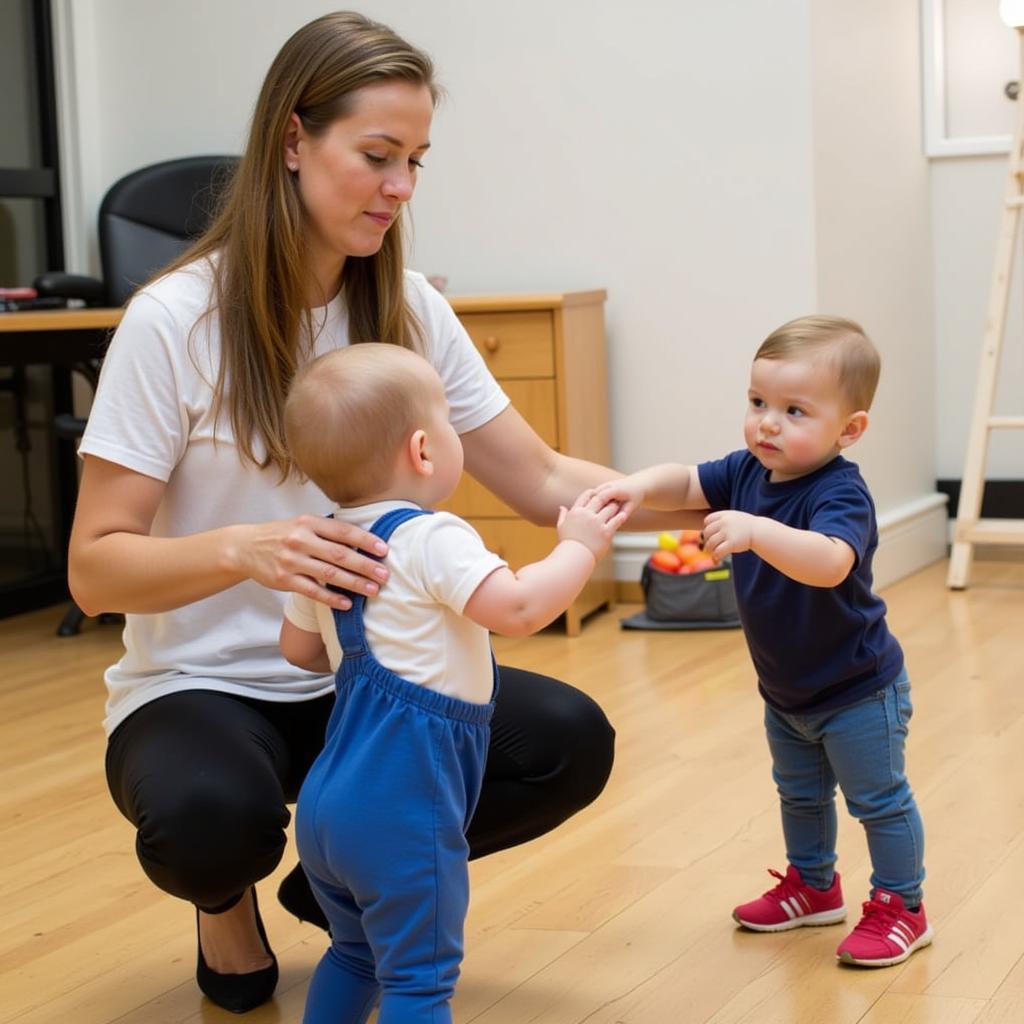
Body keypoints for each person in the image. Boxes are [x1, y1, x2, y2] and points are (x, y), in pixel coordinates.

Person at [67, 11, 646, 1013]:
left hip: (374, 686)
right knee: (206, 820)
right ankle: (226, 899)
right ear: (293, 141)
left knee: (567, 737)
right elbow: (94, 565)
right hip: (205, 687)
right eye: (378, 155)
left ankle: (334, 877)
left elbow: (541, 476)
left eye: (415, 160)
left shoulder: (410, 308)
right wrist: (249, 551)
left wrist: (721, 491)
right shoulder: (174, 320)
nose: (401, 188)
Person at [279, 343, 624, 1023]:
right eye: (448, 420)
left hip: (325, 810)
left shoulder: (324, 543)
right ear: (423, 450)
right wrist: (579, 546)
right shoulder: (435, 536)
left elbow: (299, 651)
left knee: (354, 955)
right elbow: (520, 607)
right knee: (418, 982)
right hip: (399, 811)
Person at [593, 315, 932, 968]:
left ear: (849, 429)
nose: (767, 423)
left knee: (879, 802)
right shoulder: (747, 471)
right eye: (758, 403)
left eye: (794, 411)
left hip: (859, 690)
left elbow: (831, 561)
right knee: (799, 794)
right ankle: (813, 885)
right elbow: (686, 481)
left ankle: (903, 907)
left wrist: (755, 532)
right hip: (787, 691)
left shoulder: (840, 492)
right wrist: (635, 487)